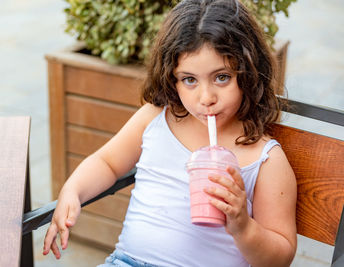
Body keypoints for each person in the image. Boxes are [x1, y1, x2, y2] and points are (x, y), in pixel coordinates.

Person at [43, 0, 297, 266]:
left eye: (221, 77)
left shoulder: (265, 160)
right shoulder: (156, 119)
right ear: (172, 78)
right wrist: (73, 190)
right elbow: (106, 162)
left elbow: (281, 256)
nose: (206, 97)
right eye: (190, 80)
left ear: (249, 71)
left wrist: (243, 227)